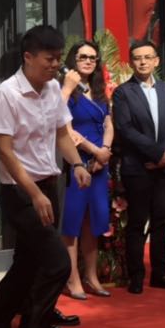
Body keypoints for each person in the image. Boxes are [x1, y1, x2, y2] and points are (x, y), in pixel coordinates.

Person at [0, 25, 92, 328]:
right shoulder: (6, 94)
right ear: (28, 57)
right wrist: (35, 195)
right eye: (49, 59)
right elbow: (5, 151)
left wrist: (77, 164)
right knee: (57, 264)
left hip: (47, 184)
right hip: (21, 191)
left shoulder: (53, 87)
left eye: (58, 59)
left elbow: (61, 132)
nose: (55, 65)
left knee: (26, 266)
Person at [112, 40, 165, 293]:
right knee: (137, 222)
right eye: (137, 58)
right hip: (138, 167)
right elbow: (125, 129)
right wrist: (156, 153)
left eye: (147, 57)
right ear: (131, 62)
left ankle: (160, 274)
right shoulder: (123, 92)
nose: (142, 62)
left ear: (156, 61)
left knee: (161, 222)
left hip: (164, 168)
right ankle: (135, 276)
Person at [58, 40, 114, 299]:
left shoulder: (99, 90)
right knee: (73, 222)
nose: (89, 61)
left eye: (93, 57)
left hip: (100, 164)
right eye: (83, 57)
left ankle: (92, 276)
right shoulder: (66, 91)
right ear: (73, 59)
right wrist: (94, 151)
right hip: (76, 162)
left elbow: (108, 123)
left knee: (94, 221)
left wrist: (105, 150)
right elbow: (65, 129)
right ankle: (73, 279)